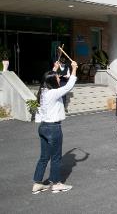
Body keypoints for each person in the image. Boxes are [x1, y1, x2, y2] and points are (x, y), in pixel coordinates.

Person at [32, 60, 78, 194]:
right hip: (53, 128)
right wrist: (74, 68)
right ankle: (57, 184)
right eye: (57, 77)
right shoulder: (54, 93)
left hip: (43, 127)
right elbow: (68, 86)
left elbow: (49, 77)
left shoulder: (43, 90)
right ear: (53, 81)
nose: (59, 78)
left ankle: (37, 183)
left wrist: (55, 68)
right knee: (56, 157)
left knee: (44, 157)